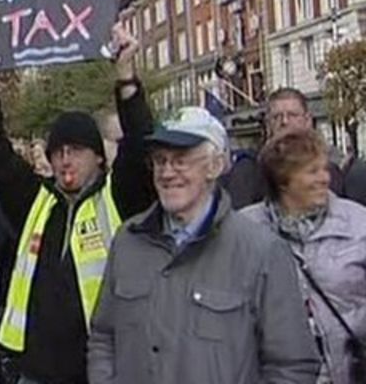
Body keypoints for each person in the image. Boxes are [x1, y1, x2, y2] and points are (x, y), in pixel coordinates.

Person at [0, 23, 157, 384]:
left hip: (102, 369)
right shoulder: (38, 201)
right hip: (37, 371)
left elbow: (140, 145)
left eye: (76, 151)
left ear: (99, 159)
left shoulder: (117, 197)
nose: (64, 160)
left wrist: (126, 76)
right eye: (58, 152)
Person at [87, 107, 320, 383]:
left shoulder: (261, 252)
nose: (167, 172)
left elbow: (292, 366)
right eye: (160, 161)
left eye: (181, 160)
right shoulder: (128, 242)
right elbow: (103, 337)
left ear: (215, 166)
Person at [242, 129, 366, 384]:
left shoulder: (358, 223)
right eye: (312, 171)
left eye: (324, 169)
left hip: (349, 371)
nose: (324, 178)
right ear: (283, 180)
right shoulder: (245, 230)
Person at [226, 87, 366, 208]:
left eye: (292, 115)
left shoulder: (340, 167)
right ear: (268, 124)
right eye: (277, 117)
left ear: (307, 121)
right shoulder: (250, 170)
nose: (284, 122)